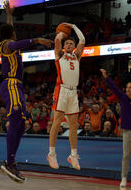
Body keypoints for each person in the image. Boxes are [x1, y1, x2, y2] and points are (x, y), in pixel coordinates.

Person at [0, 1, 52, 183]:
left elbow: (10, 31)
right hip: (11, 84)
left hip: (17, 86)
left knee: (21, 124)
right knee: (14, 119)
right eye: (13, 32)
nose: (15, 33)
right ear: (11, 35)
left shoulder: (9, 40)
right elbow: (14, 44)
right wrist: (36, 40)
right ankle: (9, 162)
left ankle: (11, 161)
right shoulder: (6, 45)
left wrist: (9, 15)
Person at [48, 22, 85, 170]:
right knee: (57, 121)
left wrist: (74, 26)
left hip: (73, 91)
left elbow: (82, 40)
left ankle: (73, 155)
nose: (69, 44)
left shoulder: (76, 56)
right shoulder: (60, 55)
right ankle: (51, 153)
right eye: (67, 43)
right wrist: (61, 33)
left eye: (71, 43)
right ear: (64, 46)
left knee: (73, 125)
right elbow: (57, 41)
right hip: (61, 90)